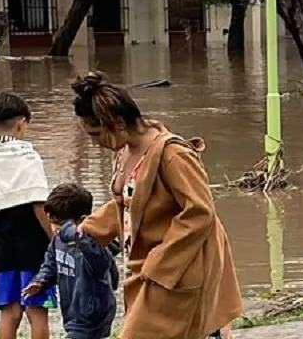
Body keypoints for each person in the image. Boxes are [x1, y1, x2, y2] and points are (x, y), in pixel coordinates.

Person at [71, 72, 242, 339]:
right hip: (147, 268)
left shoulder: (173, 154)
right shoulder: (124, 150)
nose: (94, 142)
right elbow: (130, 203)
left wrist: (159, 262)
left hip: (177, 269)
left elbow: (200, 212)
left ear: (117, 123)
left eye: (95, 133)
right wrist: (92, 227)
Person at [0, 92, 55, 339]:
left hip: (2, 246)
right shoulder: (29, 158)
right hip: (34, 246)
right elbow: (38, 206)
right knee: (37, 310)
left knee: (9, 312)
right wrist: (55, 240)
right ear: (22, 124)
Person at [23, 183, 119, 339]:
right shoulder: (58, 242)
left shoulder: (93, 246)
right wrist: (40, 281)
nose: (55, 229)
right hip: (72, 312)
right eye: (52, 223)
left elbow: (103, 265)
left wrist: (75, 234)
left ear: (82, 220)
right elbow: (50, 264)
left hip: (92, 316)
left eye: (60, 225)